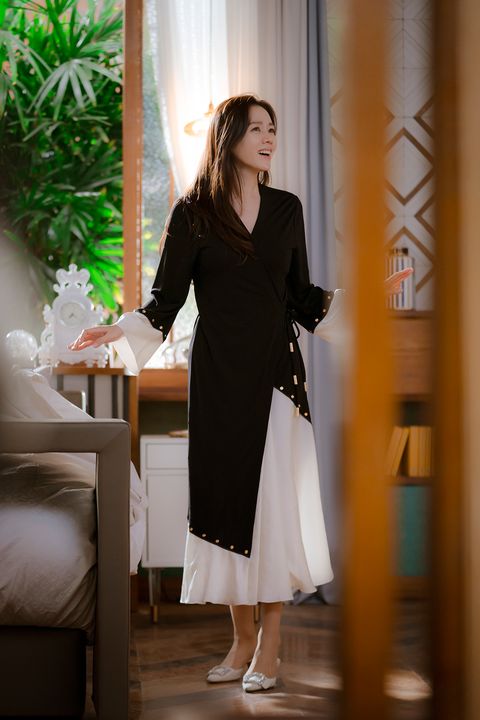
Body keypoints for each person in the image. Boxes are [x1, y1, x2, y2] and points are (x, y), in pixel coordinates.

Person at [69, 94, 412, 692]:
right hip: (219, 377)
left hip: (278, 375)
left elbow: (301, 297)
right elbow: (166, 302)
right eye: (256, 128)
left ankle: (270, 643)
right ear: (228, 136)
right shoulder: (193, 213)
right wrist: (116, 329)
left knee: (274, 506)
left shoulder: (286, 209)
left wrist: (366, 299)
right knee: (224, 503)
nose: (269, 137)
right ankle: (241, 639)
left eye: (272, 128)